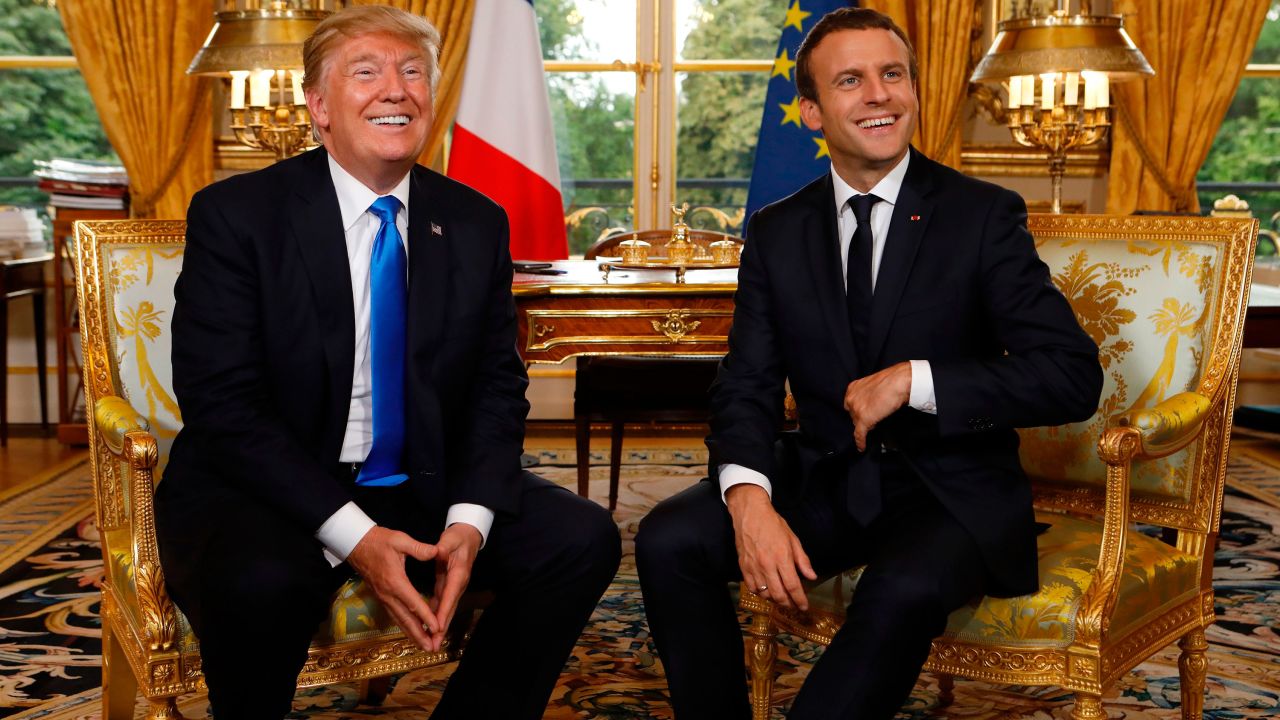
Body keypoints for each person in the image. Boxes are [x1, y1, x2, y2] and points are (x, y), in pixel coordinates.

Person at [635, 8, 1104, 719]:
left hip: (949, 492)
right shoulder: (776, 229)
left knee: (901, 593)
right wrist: (747, 497)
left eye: (892, 75)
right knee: (670, 538)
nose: (878, 95)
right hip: (825, 475)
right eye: (850, 81)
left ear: (914, 91)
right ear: (814, 113)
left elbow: (1071, 374)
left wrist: (917, 380)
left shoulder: (981, 216)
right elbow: (748, 385)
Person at [154, 6, 620, 719]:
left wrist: (470, 519)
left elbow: (498, 385)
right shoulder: (238, 214)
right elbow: (224, 405)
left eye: (412, 72)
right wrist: (356, 537)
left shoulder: (473, 220)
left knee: (580, 540)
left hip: (420, 478)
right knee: (260, 584)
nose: (395, 89)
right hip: (268, 485)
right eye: (366, 72)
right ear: (319, 107)